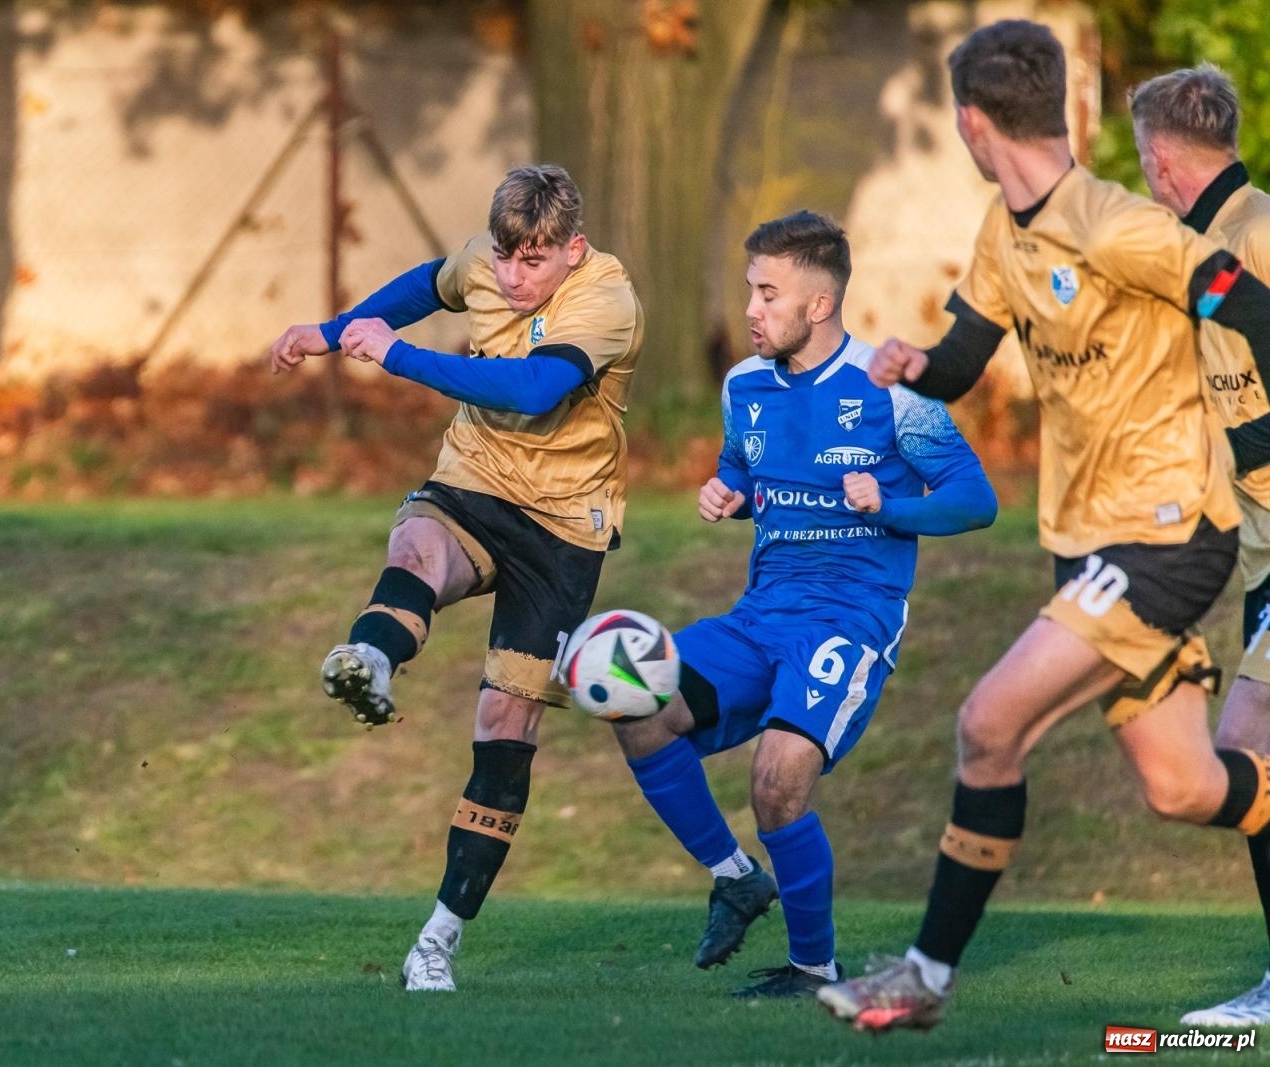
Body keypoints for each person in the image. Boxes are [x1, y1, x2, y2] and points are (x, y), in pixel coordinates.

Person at [818, 20, 1270, 1033]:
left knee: (988, 722)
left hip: (1167, 535)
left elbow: (1253, 308)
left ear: (973, 124)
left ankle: (924, 976)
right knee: (1183, 784)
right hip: (1086, 543)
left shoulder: (1122, 228)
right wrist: (916, 366)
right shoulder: (1004, 230)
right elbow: (964, 357)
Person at [267, 164, 643, 992]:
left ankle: (437, 939)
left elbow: (533, 388)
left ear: (573, 249)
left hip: (563, 525)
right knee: (416, 549)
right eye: (505, 257)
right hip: (474, 480)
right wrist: (331, 331)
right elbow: (429, 282)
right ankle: (371, 661)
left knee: (506, 723)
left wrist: (396, 355)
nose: (512, 277)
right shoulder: (487, 260)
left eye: (533, 262)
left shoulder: (607, 301)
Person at [611, 211, 996, 999]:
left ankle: (814, 967)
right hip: (760, 615)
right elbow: (747, 470)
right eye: (751, 290)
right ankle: (736, 876)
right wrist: (729, 493)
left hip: (850, 619)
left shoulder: (894, 392)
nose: (750, 309)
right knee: (633, 697)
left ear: (819, 305)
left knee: (779, 776)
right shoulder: (743, 386)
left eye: (767, 293)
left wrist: (889, 505)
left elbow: (976, 500)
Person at [1131, 64, 1270, 1028]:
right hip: (1260, 560)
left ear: (1161, 157)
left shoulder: (1255, 234)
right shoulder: (1201, 251)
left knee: (1242, 749)